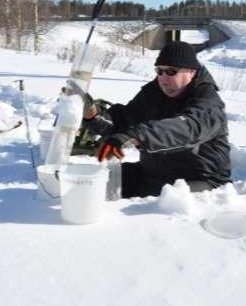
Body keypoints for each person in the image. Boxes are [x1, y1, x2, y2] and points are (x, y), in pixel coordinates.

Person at [82, 40, 231, 198]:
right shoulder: (153, 93)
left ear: (191, 72)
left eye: (171, 71)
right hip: (153, 174)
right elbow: (125, 120)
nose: (163, 78)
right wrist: (92, 115)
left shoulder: (208, 102)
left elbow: (187, 128)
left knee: (160, 205)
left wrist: (137, 135)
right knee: (94, 184)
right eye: (159, 71)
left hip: (201, 182)